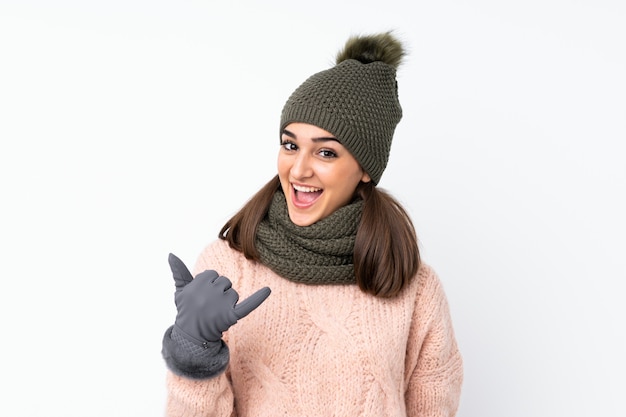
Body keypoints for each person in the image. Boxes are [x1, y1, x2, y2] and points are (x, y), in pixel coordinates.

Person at [161, 31, 463, 416]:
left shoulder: (414, 288)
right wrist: (193, 349)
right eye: (290, 145)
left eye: (325, 152)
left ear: (365, 170)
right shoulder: (227, 270)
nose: (299, 169)